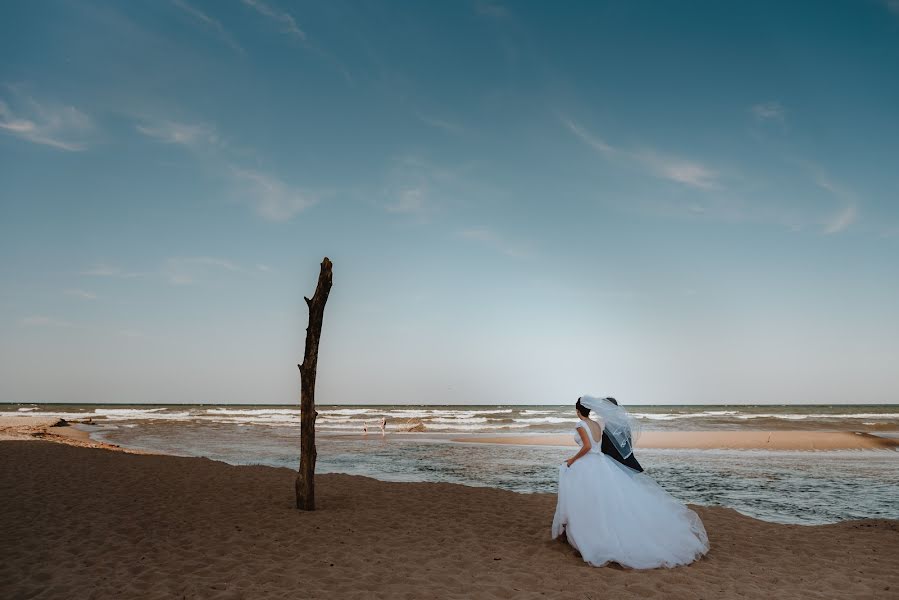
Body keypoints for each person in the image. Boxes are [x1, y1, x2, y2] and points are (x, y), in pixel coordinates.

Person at [551, 396, 709, 569]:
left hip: (593, 463)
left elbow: (589, 446)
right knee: (604, 500)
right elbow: (609, 447)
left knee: (588, 498)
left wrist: (572, 460)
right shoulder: (600, 424)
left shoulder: (586, 425)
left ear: (578, 411)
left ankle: (581, 531)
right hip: (603, 464)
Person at [599, 397, 643, 472]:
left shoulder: (609, 425)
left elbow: (608, 447)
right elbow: (628, 444)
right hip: (627, 459)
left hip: (615, 462)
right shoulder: (624, 422)